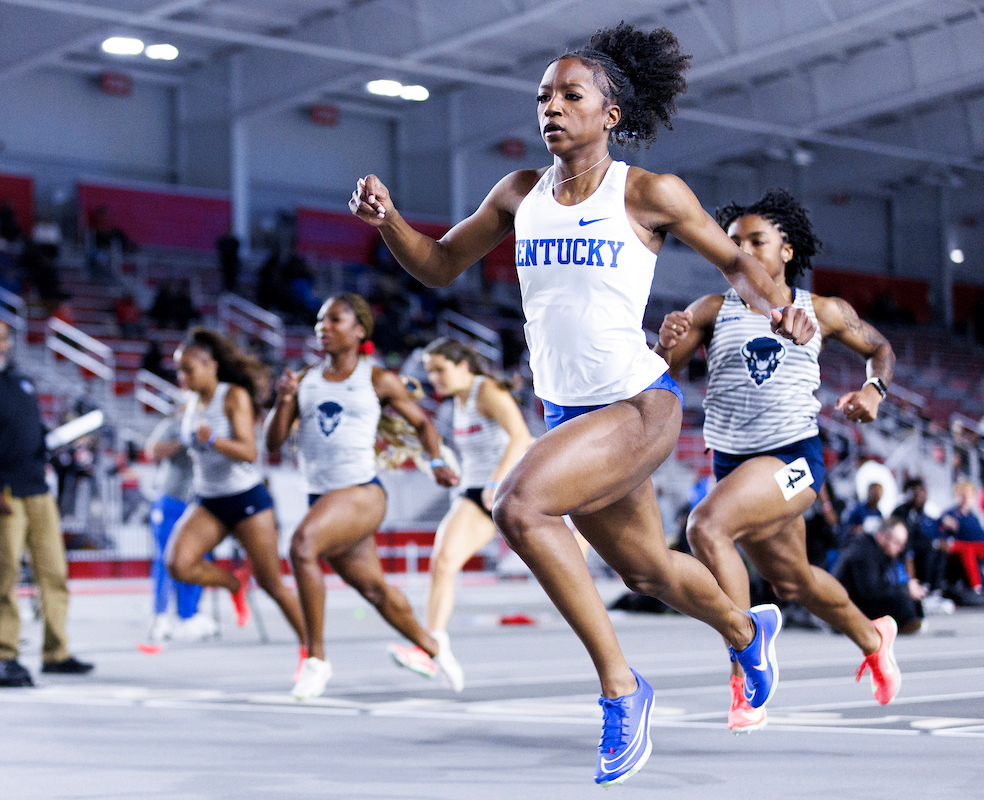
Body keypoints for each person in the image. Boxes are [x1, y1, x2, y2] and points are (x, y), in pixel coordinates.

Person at [349, 23, 815, 786]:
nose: (552, 107)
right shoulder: (518, 195)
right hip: (571, 415)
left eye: (572, 94)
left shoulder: (646, 193)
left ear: (611, 115)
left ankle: (622, 690)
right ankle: (745, 627)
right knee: (647, 573)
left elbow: (738, 265)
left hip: (639, 403)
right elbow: (436, 266)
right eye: (543, 96)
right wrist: (390, 221)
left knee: (519, 506)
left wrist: (784, 311)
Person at [654, 188, 902, 734]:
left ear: (786, 250)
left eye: (755, 241)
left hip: (793, 459)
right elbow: (655, 373)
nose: (741, 249)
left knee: (707, 526)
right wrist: (663, 342)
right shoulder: (711, 310)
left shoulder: (823, 311)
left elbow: (880, 350)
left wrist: (873, 391)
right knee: (794, 583)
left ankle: (746, 666)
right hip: (734, 466)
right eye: (733, 240)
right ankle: (872, 637)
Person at [265, 294, 457, 700]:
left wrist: (437, 460)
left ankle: (315, 659)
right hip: (323, 500)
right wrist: (284, 400)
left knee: (302, 546)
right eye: (320, 320)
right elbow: (273, 443)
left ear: (359, 331)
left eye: (335, 320)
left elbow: (423, 425)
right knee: (374, 591)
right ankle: (435, 648)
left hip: (362, 493)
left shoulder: (377, 379)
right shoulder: (304, 380)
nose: (324, 327)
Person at [390, 337, 533, 691]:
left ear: (464, 366)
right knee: (442, 563)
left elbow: (521, 437)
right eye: (429, 372)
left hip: (505, 489)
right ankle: (433, 647)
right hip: (472, 492)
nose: (434, 379)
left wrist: (495, 481)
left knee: (559, 570)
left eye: (440, 370)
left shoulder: (487, 392)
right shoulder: (456, 402)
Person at [0, 318, 94, 687]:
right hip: (5, 496)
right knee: (6, 579)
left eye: (3, 338)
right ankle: (6, 655)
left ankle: (56, 652)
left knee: (54, 573)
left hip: (38, 491)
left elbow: (34, 434)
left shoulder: (23, 383)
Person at [165, 330, 306, 666]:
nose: (182, 377)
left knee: (273, 584)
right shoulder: (189, 404)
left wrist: (213, 439)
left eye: (188, 369)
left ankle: (312, 649)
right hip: (209, 501)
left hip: (246, 500)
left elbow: (248, 451)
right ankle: (233, 583)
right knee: (178, 564)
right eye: (179, 371)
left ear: (210, 365)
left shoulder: (233, 396)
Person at [143, 391, 216, 646]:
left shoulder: (209, 426)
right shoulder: (172, 426)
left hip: (198, 502)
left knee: (198, 559)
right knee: (166, 558)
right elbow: (152, 452)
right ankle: (160, 616)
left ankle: (188, 615)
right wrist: (183, 441)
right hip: (171, 497)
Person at [833, 518, 924, 635]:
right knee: (902, 601)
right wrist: (905, 589)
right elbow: (870, 591)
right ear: (882, 536)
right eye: (897, 542)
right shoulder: (864, 551)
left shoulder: (878, 551)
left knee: (908, 599)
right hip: (846, 607)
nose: (900, 549)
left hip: (858, 602)